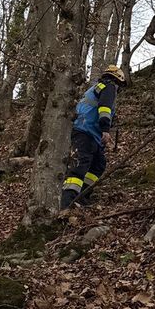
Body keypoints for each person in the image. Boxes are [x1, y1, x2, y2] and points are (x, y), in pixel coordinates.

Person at [60, 64, 126, 209]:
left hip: (87, 131)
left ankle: (82, 195)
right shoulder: (109, 87)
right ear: (117, 81)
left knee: (98, 164)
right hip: (85, 132)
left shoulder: (96, 88)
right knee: (80, 165)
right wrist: (105, 129)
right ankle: (66, 203)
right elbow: (104, 108)